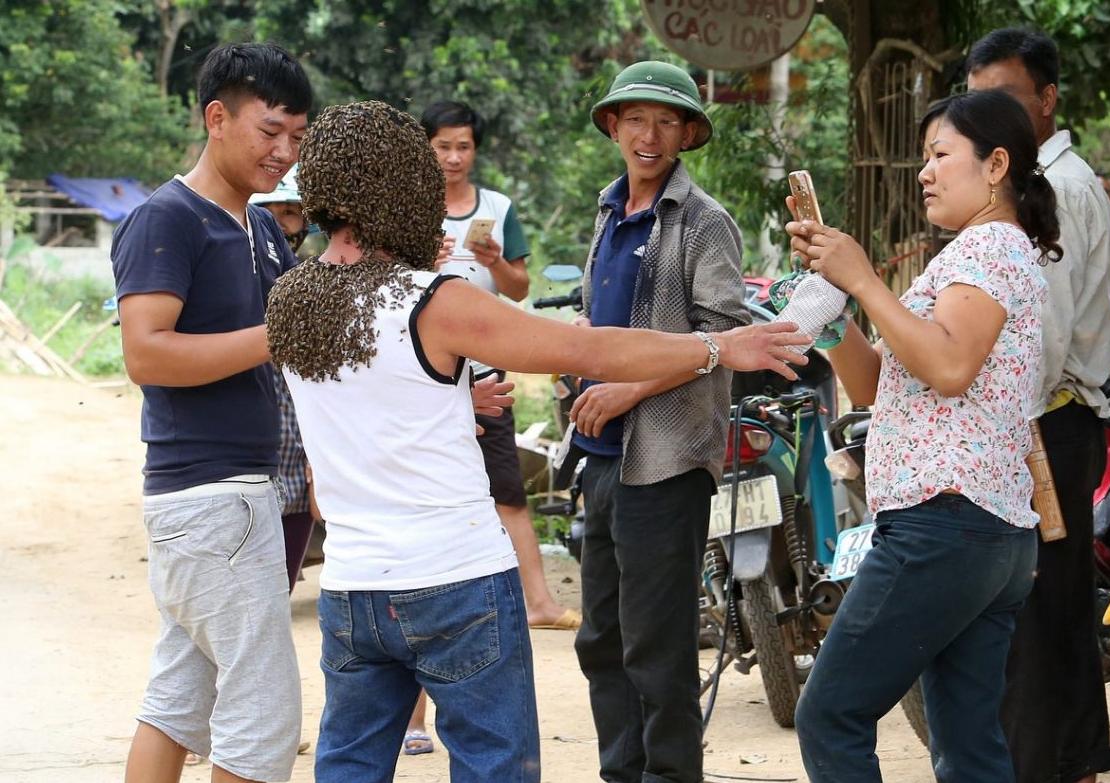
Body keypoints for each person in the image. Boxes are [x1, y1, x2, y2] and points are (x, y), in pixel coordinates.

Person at [263, 99, 806, 783]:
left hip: (351, 587)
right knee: (496, 769)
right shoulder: (436, 300)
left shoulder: (290, 302)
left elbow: (337, 453)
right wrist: (718, 344)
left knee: (348, 769)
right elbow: (588, 348)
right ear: (409, 186)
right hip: (454, 581)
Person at [791, 89, 1054, 783]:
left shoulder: (990, 247)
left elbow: (946, 365)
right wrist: (832, 309)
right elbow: (881, 384)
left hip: (945, 522)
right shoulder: (973, 252)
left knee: (829, 714)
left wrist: (865, 278)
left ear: (995, 164)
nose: (924, 171)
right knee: (968, 747)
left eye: (940, 155)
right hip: (981, 529)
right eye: (923, 157)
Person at [111, 43, 312, 783]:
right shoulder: (167, 219)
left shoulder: (259, 228)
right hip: (211, 496)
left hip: (232, 495)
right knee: (263, 716)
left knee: (178, 700)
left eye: (297, 136)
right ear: (217, 117)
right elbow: (147, 354)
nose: (284, 152)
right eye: (270, 132)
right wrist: (275, 335)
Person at [568, 60, 750, 783]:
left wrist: (624, 388)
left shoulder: (703, 221)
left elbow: (725, 339)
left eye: (666, 120)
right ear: (613, 126)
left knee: (656, 644)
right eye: (635, 118)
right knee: (600, 638)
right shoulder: (608, 208)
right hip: (601, 453)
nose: (649, 135)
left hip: (666, 456)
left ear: (685, 134)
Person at [967, 27, 1110, 783]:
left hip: (1043, 424)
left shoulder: (1051, 191)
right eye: (976, 101)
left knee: (1031, 627)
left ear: (1047, 99)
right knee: (1055, 617)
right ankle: (1073, 766)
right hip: (1054, 423)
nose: (986, 117)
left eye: (1005, 99)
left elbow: (1040, 339)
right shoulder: (1038, 183)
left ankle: (1040, 769)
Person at [418, 100, 577, 631]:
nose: (454, 157)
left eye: (463, 146)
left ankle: (539, 602)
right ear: (426, 147)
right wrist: (427, 262)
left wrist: (494, 263)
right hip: (422, 376)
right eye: (444, 146)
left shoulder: (498, 206)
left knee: (506, 490)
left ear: (476, 150)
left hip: (484, 373)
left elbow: (520, 288)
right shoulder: (408, 206)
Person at [248, 168, 319, 593]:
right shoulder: (238, 273)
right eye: (271, 212)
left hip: (299, 451)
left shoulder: (312, 279)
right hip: (248, 454)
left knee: (277, 594)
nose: (280, 223)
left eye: (291, 213)